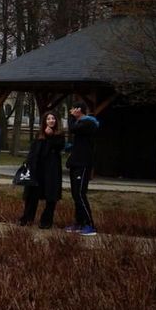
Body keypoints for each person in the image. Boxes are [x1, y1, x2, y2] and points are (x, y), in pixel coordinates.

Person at [18, 111, 64, 229]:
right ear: (44, 121)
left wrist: (50, 136)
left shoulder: (59, 135)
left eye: (53, 118)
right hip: (37, 169)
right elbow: (33, 150)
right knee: (32, 195)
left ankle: (46, 221)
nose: (51, 121)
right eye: (48, 119)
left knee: (51, 196)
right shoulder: (39, 135)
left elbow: (59, 146)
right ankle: (27, 218)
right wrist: (28, 163)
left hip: (51, 170)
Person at [66, 101, 99, 235]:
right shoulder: (80, 124)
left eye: (74, 109)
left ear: (80, 110)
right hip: (75, 163)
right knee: (75, 194)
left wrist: (71, 117)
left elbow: (72, 128)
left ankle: (89, 224)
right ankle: (79, 223)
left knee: (80, 193)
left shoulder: (89, 122)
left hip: (83, 164)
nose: (72, 111)